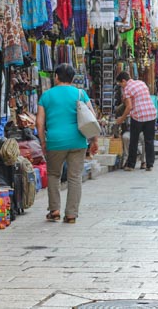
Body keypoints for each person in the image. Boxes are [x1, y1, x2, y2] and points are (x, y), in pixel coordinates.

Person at [36, 63, 95, 224]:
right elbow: (91, 117)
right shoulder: (80, 94)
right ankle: (71, 214)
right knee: (75, 177)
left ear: (56, 76)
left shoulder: (47, 96)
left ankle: (54, 210)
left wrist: (42, 142)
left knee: (54, 175)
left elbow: (39, 123)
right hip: (78, 141)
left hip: (55, 141)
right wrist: (93, 140)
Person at [116, 71, 158, 171]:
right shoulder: (141, 83)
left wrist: (121, 119)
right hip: (151, 114)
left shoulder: (127, 89)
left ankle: (131, 165)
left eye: (120, 84)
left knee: (133, 141)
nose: (121, 86)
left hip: (138, 116)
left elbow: (129, 106)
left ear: (123, 81)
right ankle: (149, 164)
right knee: (149, 140)